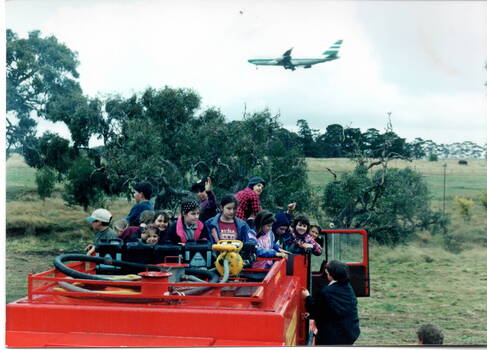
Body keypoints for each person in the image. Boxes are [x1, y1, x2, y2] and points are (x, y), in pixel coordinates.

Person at [302, 260, 360, 345]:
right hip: (350, 332)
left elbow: (314, 309)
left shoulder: (326, 292)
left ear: (331, 275)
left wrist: (307, 297)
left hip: (334, 338)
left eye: (327, 272)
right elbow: (332, 310)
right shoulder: (348, 288)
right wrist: (311, 315)